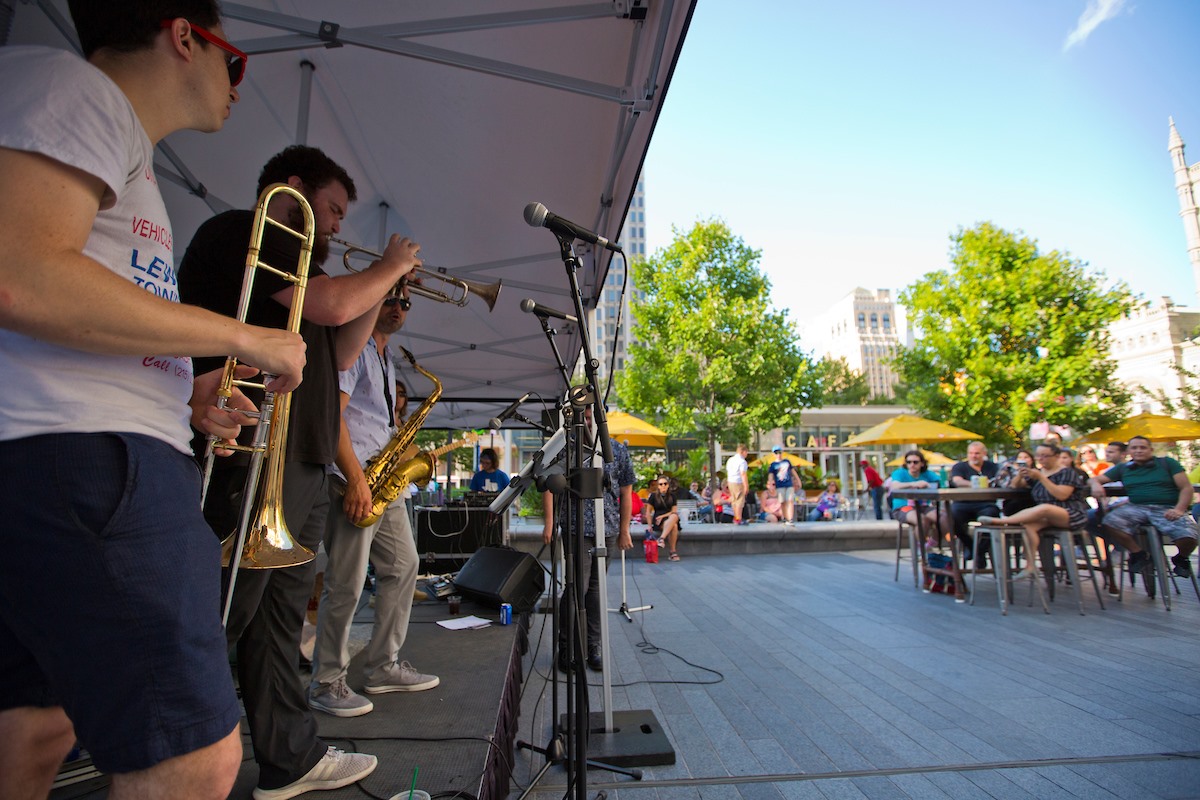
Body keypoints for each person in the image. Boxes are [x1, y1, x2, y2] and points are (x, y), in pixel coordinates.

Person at [0, 6, 307, 798]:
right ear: (183, 37)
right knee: (194, 761)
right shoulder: (75, 86)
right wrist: (243, 336)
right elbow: (24, 274)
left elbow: (73, 298)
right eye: (233, 62)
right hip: (88, 457)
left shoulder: (111, 144)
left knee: (35, 728)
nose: (238, 86)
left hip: (65, 455)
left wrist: (189, 388)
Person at [180, 145, 420, 800]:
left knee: (280, 622)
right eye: (334, 209)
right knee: (230, 607)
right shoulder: (250, 234)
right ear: (294, 189)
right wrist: (388, 266)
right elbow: (332, 308)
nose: (339, 225)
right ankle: (166, 740)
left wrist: (379, 292)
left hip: (307, 453)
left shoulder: (311, 269)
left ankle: (289, 757)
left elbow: (342, 347)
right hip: (260, 446)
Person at [309, 289, 439, 719]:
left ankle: (383, 665)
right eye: (391, 299)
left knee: (404, 567)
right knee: (345, 583)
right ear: (370, 300)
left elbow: (380, 424)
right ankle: (326, 681)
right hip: (355, 477)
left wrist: (416, 456)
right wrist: (356, 480)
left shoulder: (387, 360)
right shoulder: (355, 348)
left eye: (405, 302)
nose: (399, 308)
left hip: (383, 480)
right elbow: (333, 416)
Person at [541, 415, 634, 671]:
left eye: (594, 416)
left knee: (596, 591)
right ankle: (566, 648)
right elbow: (549, 485)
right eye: (585, 416)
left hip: (609, 528)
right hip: (576, 527)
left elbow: (626, 492)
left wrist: (625, 529)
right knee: (575, 588)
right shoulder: (567, 448)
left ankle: (593, 647)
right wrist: (549, 523)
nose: (589, 421)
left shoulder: (616, 450)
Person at [1090, 435, 1198, 579]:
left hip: (1166, 507)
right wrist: (1095, 484)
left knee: (1189, 536)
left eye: (1143, 447)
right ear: (1129, 451)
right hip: (1137, 507)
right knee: (1109, 520)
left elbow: (1186, 488)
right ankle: (1138, 554)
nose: (1139, 451)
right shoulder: (1123, 468)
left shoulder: (1167, 463)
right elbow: (1094, 479)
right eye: (1134, 448)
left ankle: (1181, 558)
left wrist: (1179, 509)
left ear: (1151, 450)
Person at [979, 442, 1089, 581]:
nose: (1041, 459)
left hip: (1070, 513)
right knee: (1029, 526)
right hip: (1046, 517)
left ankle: (1002, 521)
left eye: (1045, 456)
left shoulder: (1066, 472)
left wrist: (1042, 478)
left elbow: (1062, 495)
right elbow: (1014, 486)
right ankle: (1030, 566)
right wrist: (1020, 474)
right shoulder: (1038, 472)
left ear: (1056, 456)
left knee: (1044, 508)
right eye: (1039, 456)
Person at [948, 442, 1000, 567]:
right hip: (963, 503)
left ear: (984, 454)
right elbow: (957, 481)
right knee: (951, 518)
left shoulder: (993, 467)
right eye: (971, 453)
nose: (973, 456)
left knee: (993, 516)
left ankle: (979, 551)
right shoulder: (959, 467)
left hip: (986, 503)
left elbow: (1000, 480)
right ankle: (971, 547)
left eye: (977, 453)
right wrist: (978, 483)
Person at [885, 451, 949, 544]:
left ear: (922, 463)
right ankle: (921, 550)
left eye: (915, 462)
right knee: (922, 520)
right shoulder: (900, 473)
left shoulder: (927, 474)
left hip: (924, 506)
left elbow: (942, 483)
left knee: (944, 518)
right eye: (909, 462)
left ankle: (932, 544)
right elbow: (894, 486)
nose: (912, 465)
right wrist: (915, 484)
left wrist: (934, 485)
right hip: (903, 507)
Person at [645, 475, 682, 560]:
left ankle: (661, 538)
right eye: (660, 484)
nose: (663, 486)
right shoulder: (653, 496)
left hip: (669, 517)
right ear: (658, 486)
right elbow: (648, 512)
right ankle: (673, 552)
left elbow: (674, 511)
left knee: (674, 517)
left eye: (665, 484)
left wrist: (663, 516)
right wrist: (650, 525)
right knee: (674, 526)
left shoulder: (672, 496)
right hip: (658, 520)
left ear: (668, 485)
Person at [768, 446, 798, 525]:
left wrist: (798, 480)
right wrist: (771, 484)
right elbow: (770, 475)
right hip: (780, 485)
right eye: (776, 453)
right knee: (782, 501)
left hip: (789, 484)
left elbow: (793, 471)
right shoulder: (773, 465)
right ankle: (785, 517)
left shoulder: (787, 462)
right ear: (774, 454)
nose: (778, 454)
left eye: (780, 452)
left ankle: (790, 518)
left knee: (790, 500)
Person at [725, 443, 750, 525]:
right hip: (738, 482)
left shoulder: (730, 460)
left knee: (734, 500)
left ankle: (736, 518)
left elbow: (728, 472)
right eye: (746, 452)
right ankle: (738, 518)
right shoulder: (742, 461)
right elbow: (743, 474)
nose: (747, 454)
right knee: (740, 501)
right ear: (743, 451)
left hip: (730, 481)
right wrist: (746, 485)